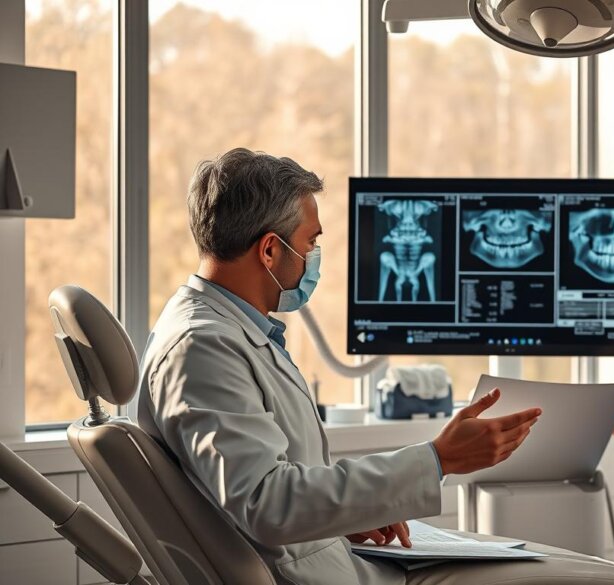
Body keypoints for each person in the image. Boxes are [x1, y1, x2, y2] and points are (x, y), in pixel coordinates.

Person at [137, 148, 544, 585]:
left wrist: (348, 517)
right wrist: (439, 459)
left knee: (542, 564)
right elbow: (266, 504)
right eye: (310, 242)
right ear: (270, 250)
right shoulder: (201, 348)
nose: (314, 256)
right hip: (315, 576)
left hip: (331, 558)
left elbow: (259, 492)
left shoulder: (223, 332)